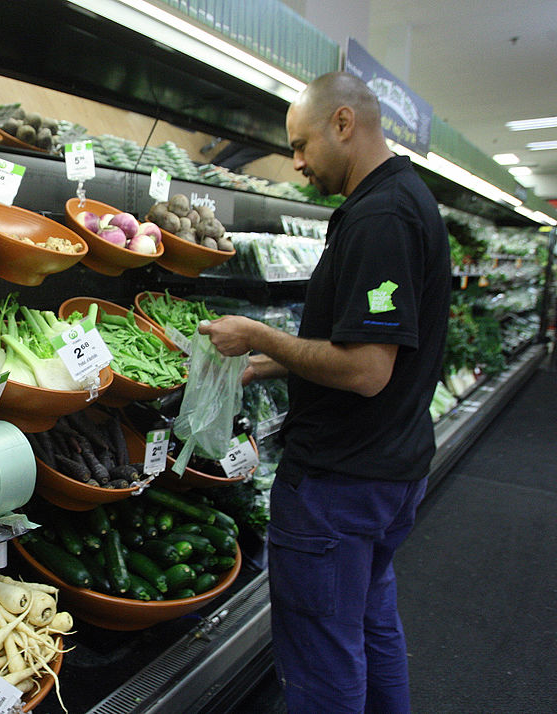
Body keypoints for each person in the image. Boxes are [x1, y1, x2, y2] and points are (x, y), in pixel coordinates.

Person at [200, 71, 450, 713]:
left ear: (344, 123)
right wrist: (276, 363)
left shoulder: (380, 218)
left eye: (302, 143)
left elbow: (367, 369)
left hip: (341, 482)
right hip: (388, 471)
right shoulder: (405, 200)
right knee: (371, 624)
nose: (298, 162)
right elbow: (380, 345)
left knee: (322, 656)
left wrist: (264, 333)